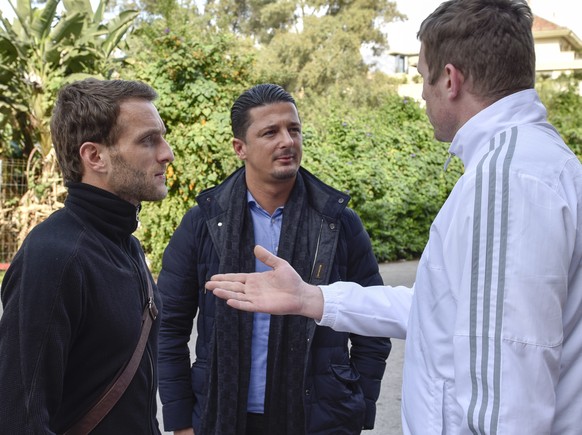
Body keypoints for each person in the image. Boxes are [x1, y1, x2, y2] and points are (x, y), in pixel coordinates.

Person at [206, 1, 582, 434]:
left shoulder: (507, 180)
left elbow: (511, 384)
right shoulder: (529, 163)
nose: (422, 93)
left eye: (423, 76)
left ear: (450, 79)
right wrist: (313, 299)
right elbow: (439, 307)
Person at [157, 83, 392, 435]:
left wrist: (356, 408)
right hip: (221, 417)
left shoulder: (337, 222)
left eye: (293, 129)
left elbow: (374, 322)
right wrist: (180, 423)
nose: (287, 141)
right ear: (241, 148)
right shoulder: (203, 223)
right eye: (270, 132)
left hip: (318, 420)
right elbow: (168, 327)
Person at [0, 78, 174, 433]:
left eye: (162, 136)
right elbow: (20, 416)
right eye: (147, 140)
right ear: (95, 156)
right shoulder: (54, 257)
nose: (167, 152)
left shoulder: (128, 246)